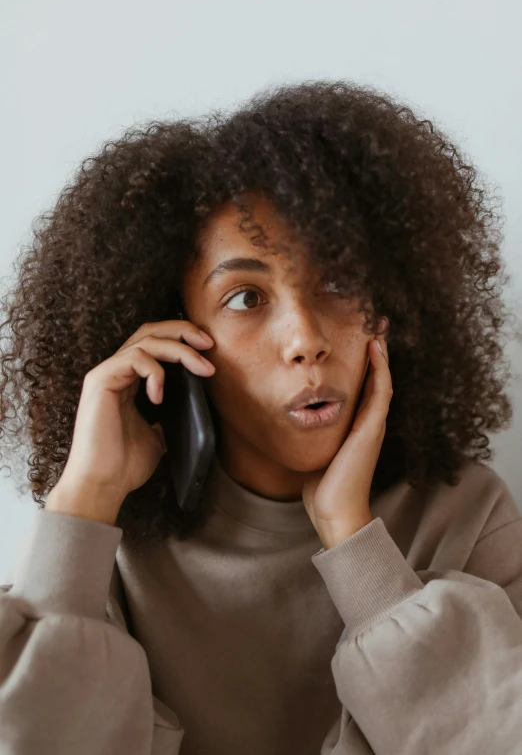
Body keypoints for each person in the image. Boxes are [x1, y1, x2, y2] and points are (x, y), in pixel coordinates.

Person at [0, 80, 521, 755]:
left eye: (337, 282)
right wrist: (84, 499)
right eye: (246, 297)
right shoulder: (112, 543)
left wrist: (354, 540)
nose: (305, 337)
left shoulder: (469, 516)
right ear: (173, 331)